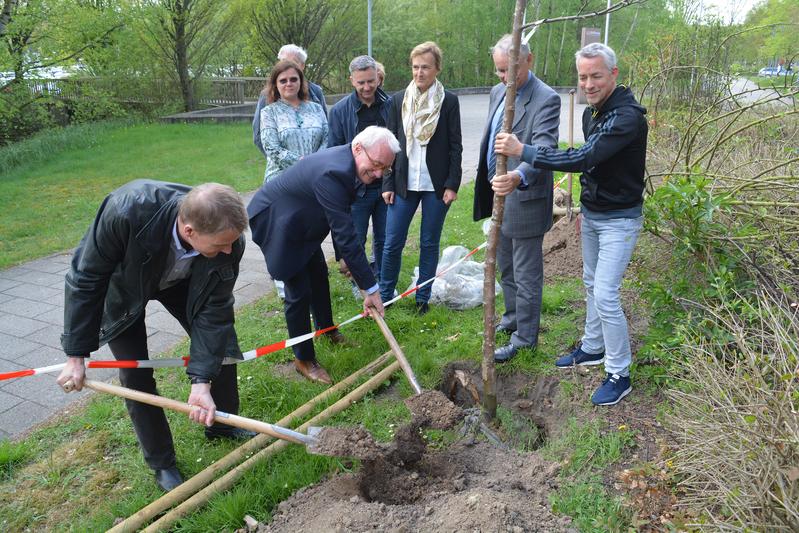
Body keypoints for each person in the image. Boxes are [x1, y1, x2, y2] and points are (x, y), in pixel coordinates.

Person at [56, 180, 252, 491]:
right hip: (125, 287)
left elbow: (214, 315)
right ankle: (162, 463)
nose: (229, 250)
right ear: (189, 231)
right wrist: (76, 356)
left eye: (231, 243)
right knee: (136, 372)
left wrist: (201, 381)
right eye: (221, 245)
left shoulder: (229, 240)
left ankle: (224, 426)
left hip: (183, 281)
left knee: (223, 347)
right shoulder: (125, 212)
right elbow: (85, 278)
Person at [493, 43, 648, 406]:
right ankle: (593, 348)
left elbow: (584, 157)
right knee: (592, 283)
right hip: (594, 214)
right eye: (582, 76)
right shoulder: (592, 113)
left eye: (596, 75)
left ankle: (619, 372)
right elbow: (594, 167)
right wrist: (582, 210)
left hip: (619, 220)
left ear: (614, 74)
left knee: (607, 294)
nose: (588, 84)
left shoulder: (627, 117)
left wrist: (524, 151)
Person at [248, 126, 398, 385]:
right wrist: (370, 288)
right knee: (298, 290)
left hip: (304, 218)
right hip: (278, 221)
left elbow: (341, 216)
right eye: (375, 165)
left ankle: (326, 330)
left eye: (384, 169)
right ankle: (303, 359)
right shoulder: (334, 171)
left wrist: (343, 257)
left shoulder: (348, 161)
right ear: (359, 148)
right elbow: (346, 234)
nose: (377, 174)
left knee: (318, 275)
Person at [473, 34, 560, 364]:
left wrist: (518, 176)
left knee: (526, 275)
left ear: (529, 60)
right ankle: (512, 321)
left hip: (524, 200)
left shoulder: (546, 99)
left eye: (510, 71)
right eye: (498, 72)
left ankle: (525, 339)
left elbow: (546, 149)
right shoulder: (499, 92)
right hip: (499, 199)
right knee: (506, 268)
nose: (504, 79)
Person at [380, 42, 462, 315]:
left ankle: (422, 299)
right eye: (415, 67)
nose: (419, 72)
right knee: (392, 243)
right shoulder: (397, 100)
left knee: (429, 242)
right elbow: (389, 145)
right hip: (403, 183)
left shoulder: (448, 101)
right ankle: (385, 296)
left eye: (425, 67)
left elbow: (455, 146)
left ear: (437, 68)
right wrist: (387, 183)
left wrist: (452, 184)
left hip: (436, 186)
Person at [328, 55, 392, 296]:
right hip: (357, 189)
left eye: (371, 81)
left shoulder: (390, 105)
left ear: (378, 77)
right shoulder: (339, 111)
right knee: (355, 239)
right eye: (361, 83)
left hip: (385, 186)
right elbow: (335, 151)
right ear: (351, 81)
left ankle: (385, 284)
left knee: (385, 239)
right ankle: (362, 285)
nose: (367, 88)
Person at [259, 60, 328, 183]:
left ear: (301, 82)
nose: (289, 83)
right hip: (281, 181)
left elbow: (327, 139)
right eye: (283, 81)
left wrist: (315, 163)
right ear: (275, 84)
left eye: (293, 79)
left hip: (316, 177)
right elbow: (272, 149)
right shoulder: (268, 113)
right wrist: (303, 164)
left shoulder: (317, 108)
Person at [253, 44, 328, 157]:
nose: (286, 66)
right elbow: (259, 135)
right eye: (282, 61)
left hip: (315, 168)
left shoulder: (316, 93)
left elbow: (326, 134)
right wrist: (276, 159)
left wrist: (315, 162)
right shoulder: (266, 97)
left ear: (302, 66)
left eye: (292, 62)